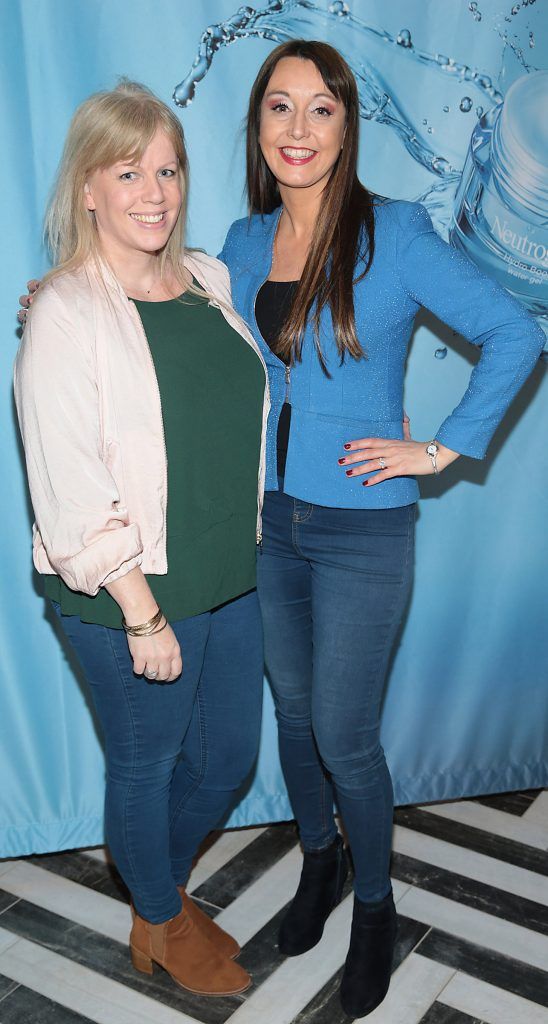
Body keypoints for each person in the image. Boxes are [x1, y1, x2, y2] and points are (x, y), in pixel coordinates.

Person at [219, 40, 546, 1018]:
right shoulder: (239, 244)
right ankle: (317, 863)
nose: (297, 129)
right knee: (293, 713)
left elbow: (516, 330)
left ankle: (373, 903)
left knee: (345, 732)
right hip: (270, 522)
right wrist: (67, 298)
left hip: (364, 527)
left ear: (346, 126)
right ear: (258, 127)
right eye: (279, 108)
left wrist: (440, 449)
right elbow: (170, 319)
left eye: (320, 110)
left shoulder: (394, 234)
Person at [14, 81, 270, 998]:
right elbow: (69, 487)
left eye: (167, 168)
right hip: (127, 592)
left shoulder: (210, 279)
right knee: (147, 761)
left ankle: (155, 888)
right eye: (129, 171)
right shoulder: (62, 313)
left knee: (230, 760)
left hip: (227, 574)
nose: (154, 191)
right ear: (89, 186)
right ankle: (159, 921)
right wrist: (141, 614)